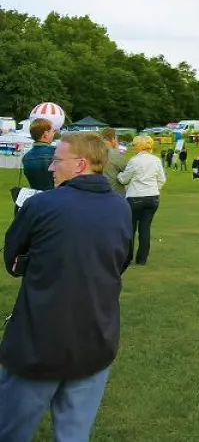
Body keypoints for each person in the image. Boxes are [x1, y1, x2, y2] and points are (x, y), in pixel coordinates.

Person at [0, 131, 131, 442]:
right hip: (97, 337)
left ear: (81, 164)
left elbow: (12, 258)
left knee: (11, 431)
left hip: (39, 343)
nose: (51, 167)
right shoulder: (121, 207)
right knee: (74, 434)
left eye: (57, 160)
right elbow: (119, 261)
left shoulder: (43, 204)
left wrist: (32, 259)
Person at [117, 135, 166, 266]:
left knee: (131, 228)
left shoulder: (134, 161)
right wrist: (154, 188)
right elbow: (161, 179)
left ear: (138, 146)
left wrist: (119, 175)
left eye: (134, 145)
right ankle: (142, 259)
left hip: (135, 197)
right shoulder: (156, 160)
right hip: (152, 197)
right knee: (145, 228)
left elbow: (124, 179)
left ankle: (128, 257)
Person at [21, 119, 56, 191]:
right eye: (53, 131)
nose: (54, 134)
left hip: (36, 197)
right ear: (46, 134)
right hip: (55, 196)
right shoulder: (56, 153)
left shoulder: (26, 157)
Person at [101, 127, 126, 196]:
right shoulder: (114, 154)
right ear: (113, 138)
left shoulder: (96, 152)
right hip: (115, 193)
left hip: (99, 191)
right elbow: (126, 170)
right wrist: (117, 151)